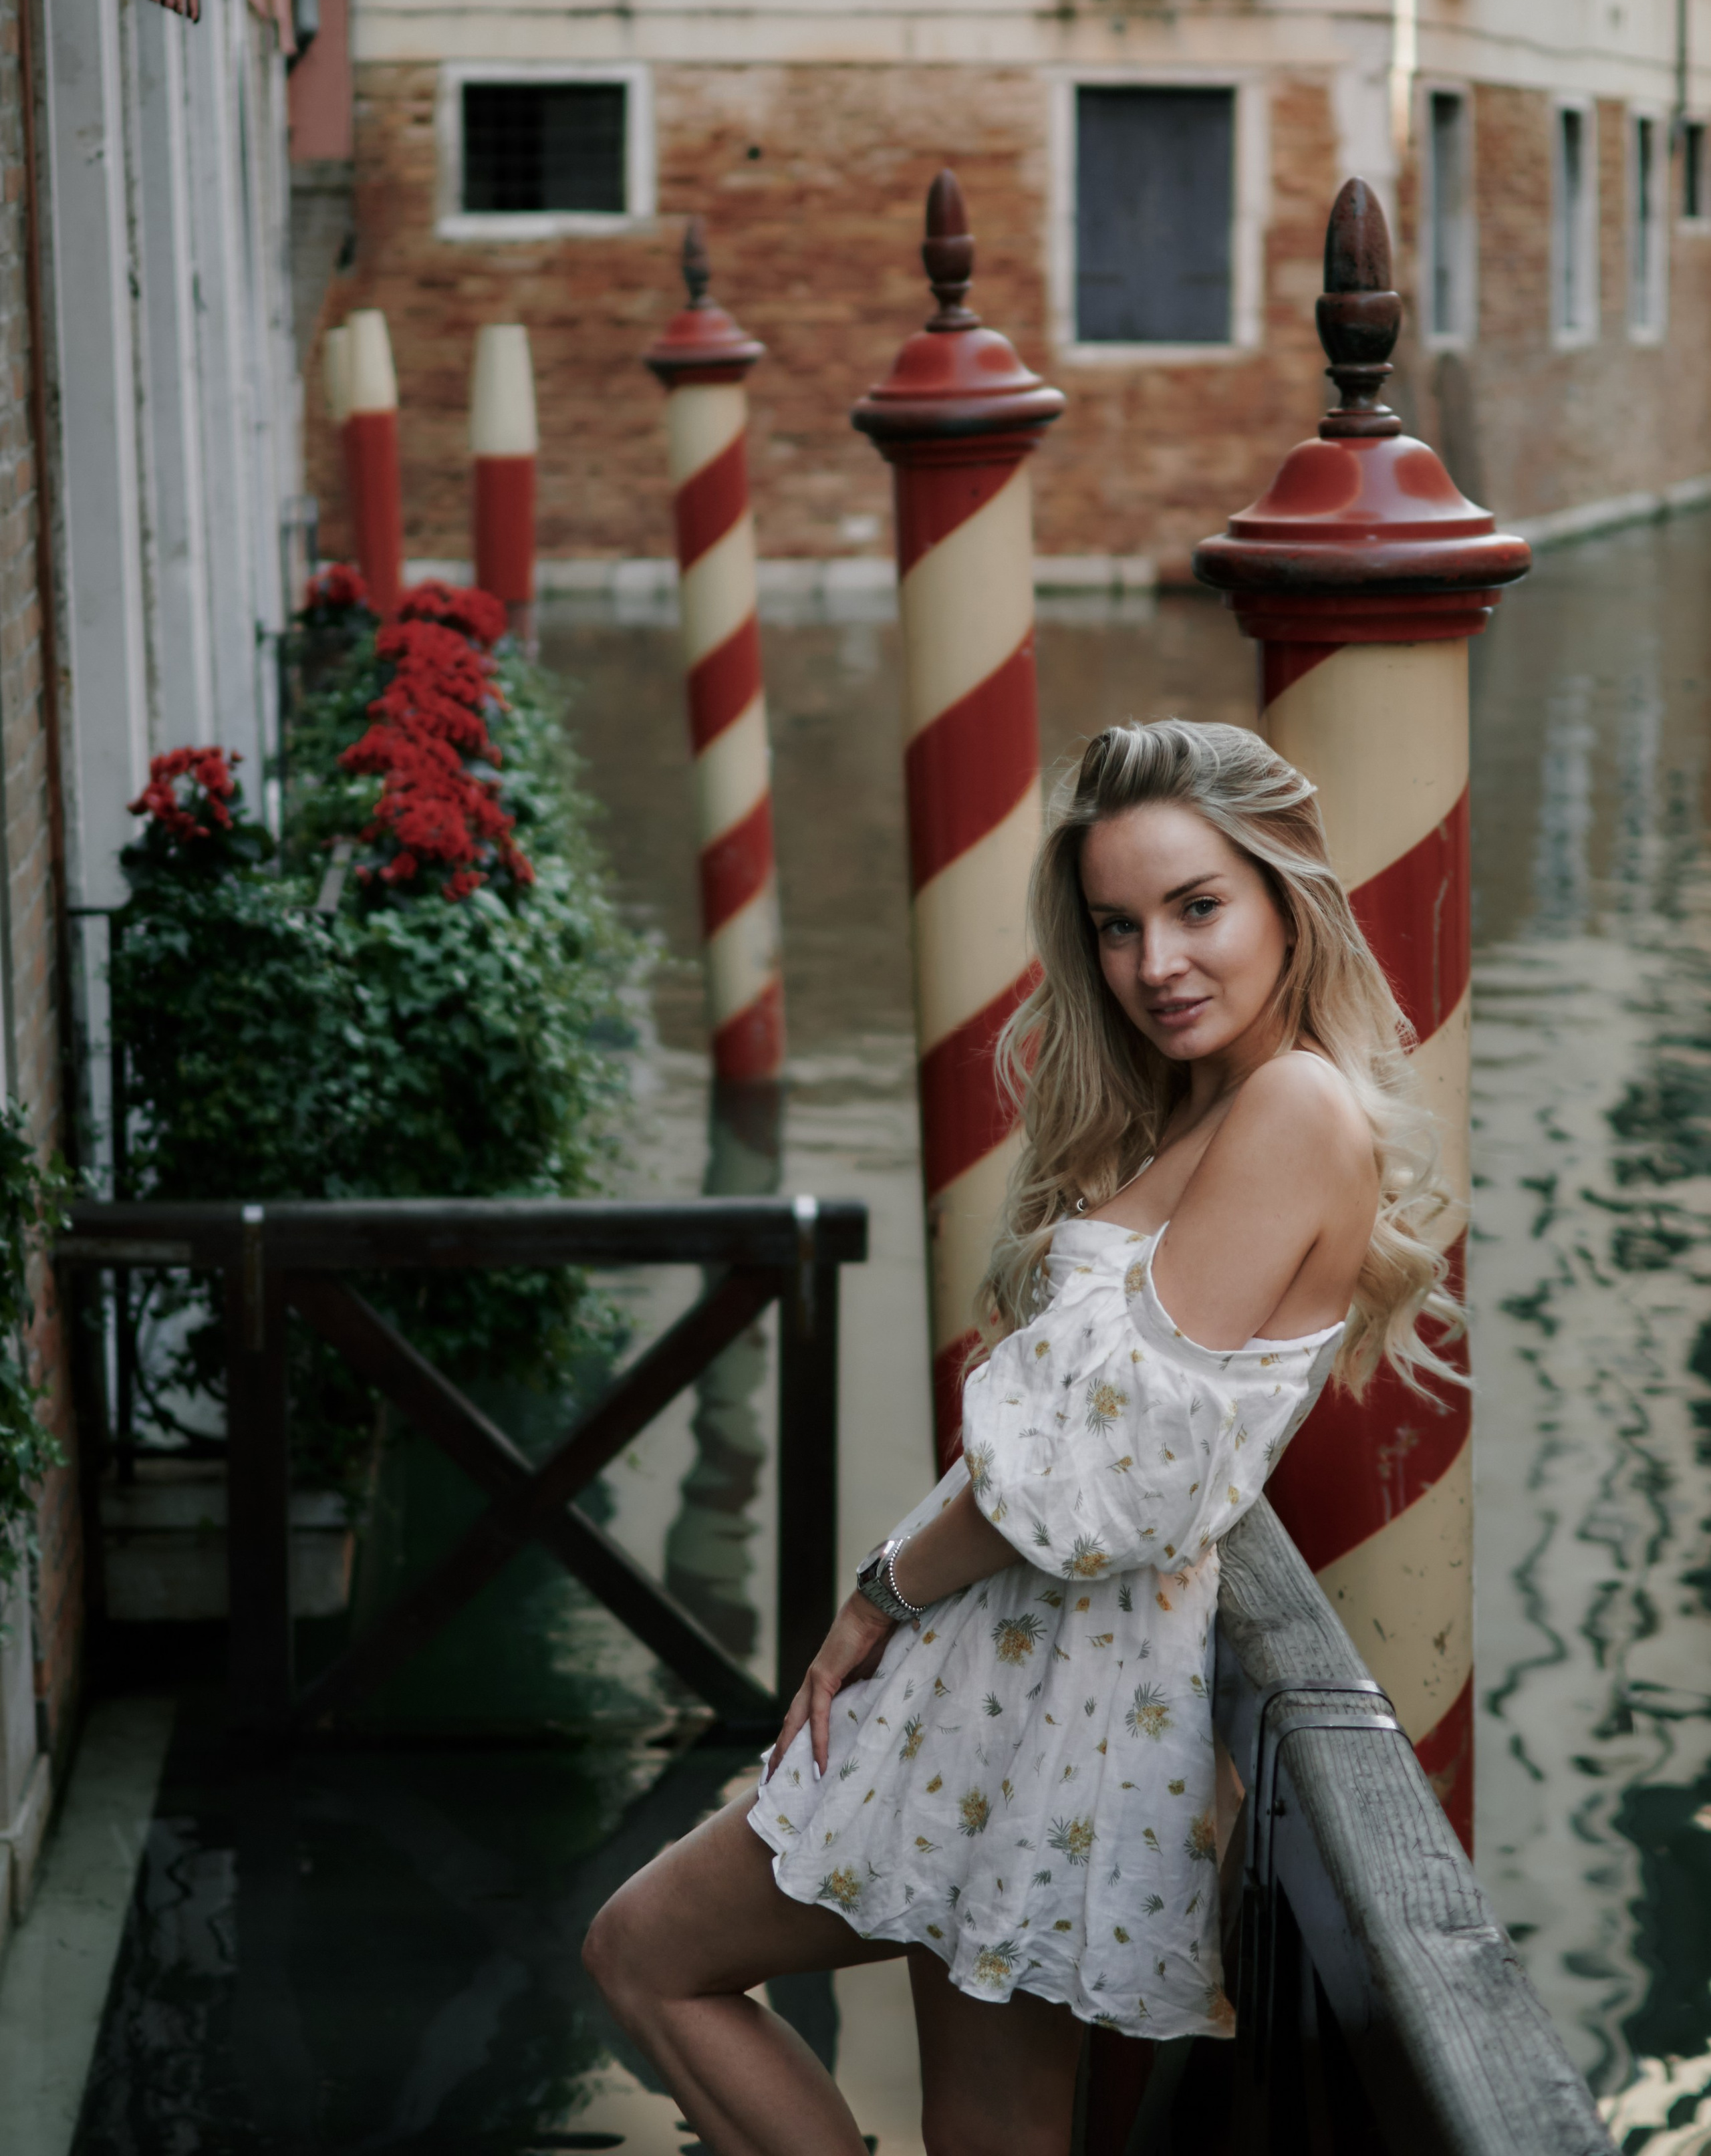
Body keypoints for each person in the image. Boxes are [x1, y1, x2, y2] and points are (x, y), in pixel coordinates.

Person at [584, 719, 1458, 2156]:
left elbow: (1101, 1468)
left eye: (1195, 908)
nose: (1154, 964)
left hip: (1038, 1685)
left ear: (1282, 892)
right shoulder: (1206, 1102)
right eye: (1116, 927)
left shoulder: (1294, 1105)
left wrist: (880, 1595)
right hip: (1023, 1690)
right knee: (981, 2132)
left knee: (645, 1952)